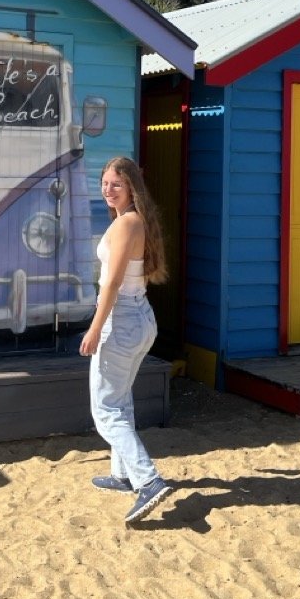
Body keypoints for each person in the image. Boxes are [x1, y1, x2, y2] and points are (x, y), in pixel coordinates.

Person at [80, 156, 172, 524]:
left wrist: (94, 328)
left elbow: (113, 283)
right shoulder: (136, 221)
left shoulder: (126, 224)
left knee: (106, 410)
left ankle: (148, 480)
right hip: (139, 317)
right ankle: (123, 475)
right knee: (120, 399)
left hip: (121, 320)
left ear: (132, 186)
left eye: (116, 184)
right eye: (104, 183)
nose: (108, 189)